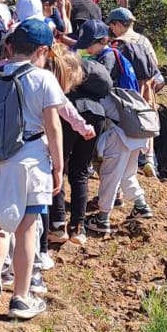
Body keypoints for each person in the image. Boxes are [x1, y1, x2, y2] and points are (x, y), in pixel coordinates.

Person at [0, 18, 65, 320]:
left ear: (12, 47)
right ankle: (22, 298)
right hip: (32, 160)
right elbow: (53, 127)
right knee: (27, 227)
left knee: (0, 224)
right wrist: (58, 167)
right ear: (41, 49)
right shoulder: (43, 79)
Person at [75, 18, 152, 235]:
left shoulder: (106, 58)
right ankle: (141, 206)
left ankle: (102, 219)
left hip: (121, 128)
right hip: (134, 125)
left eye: (90, 43)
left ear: (104, 40)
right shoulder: (114, 56)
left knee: (111, 174)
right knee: (127, 173)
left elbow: (101, 88)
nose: (87, 48)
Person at [47, 43, 109, 244]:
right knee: (81, 171)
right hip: (96, 114)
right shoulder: (84, 67)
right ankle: (78, 228)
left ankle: (57, 225)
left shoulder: (55, 67)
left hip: (71, 113)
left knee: (58, 167)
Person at [108, 7, 163, 178]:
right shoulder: (144, 41)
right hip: (146, 85)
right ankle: (149, 159)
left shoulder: (116, 43)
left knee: (125, 120)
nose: (111, 29)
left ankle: (129, 163)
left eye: (112, 25)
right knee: (148, 117)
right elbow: (155, 66)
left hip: (126, 87)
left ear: (118, 24)